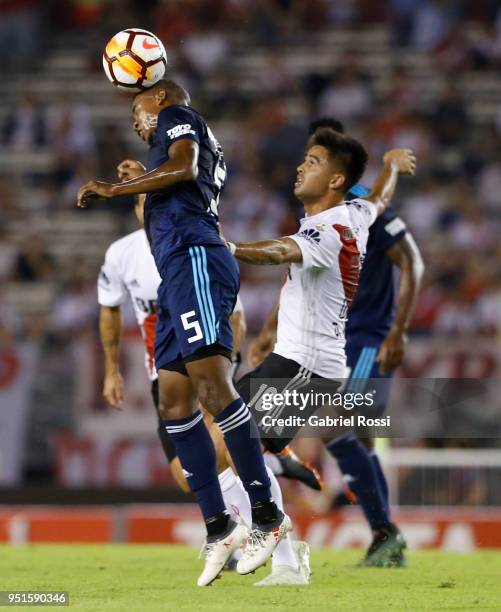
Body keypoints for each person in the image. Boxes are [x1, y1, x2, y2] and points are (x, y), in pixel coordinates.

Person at [78, 79, 290, 586]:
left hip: (195, 256)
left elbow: (184, 167)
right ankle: (220, 527)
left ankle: (266, 515)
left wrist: (115, 188)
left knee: (214, 388)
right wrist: (143, 175)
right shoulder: (167, 142)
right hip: (175, 266)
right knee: (174, 399)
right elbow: (175, 178)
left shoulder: (178, 117)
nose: (135, 119)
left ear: (160, 97)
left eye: (137, 107)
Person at [225, 129, 415, 580]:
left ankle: (273, 525)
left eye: (312, 161)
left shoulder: (327, 228)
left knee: (225, 440)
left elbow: (280, 251)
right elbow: (380, 199)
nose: (299, 166)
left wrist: (228, 247)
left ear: (336, 179)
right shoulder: (356, 212)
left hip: (302, 365)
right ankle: (279, 473)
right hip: (309, 361)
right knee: (231, 437)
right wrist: (389, 166)